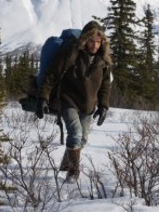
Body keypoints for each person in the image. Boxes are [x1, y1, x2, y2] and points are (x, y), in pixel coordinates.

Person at [35, 20, 112, 183]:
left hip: (88, 105)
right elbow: (52, 74)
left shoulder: (103, 60)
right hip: (68, 100)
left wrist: (103, 105)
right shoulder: (72, 53)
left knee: (82, 139)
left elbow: (105, 84)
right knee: (75, 134)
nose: (95, 45)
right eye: (91, 41)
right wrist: (43, 97)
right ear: (85, 40)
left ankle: (66, 164)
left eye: (98, 42)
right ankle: (73, 173)